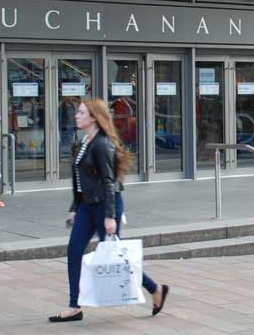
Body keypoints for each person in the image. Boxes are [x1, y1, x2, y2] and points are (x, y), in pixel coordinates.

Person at [49, 99, 169, 323]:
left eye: (82, 112)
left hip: (105, 204)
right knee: (74, 251)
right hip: (87, 206)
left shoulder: (102, 144)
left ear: (93, 117)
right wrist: (75, 207)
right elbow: (80, 180)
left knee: (117, 258)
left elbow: (109, 182)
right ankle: (74, 306)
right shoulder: (85, 141)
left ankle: (155, 289)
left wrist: (109, 216)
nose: (76, 115)